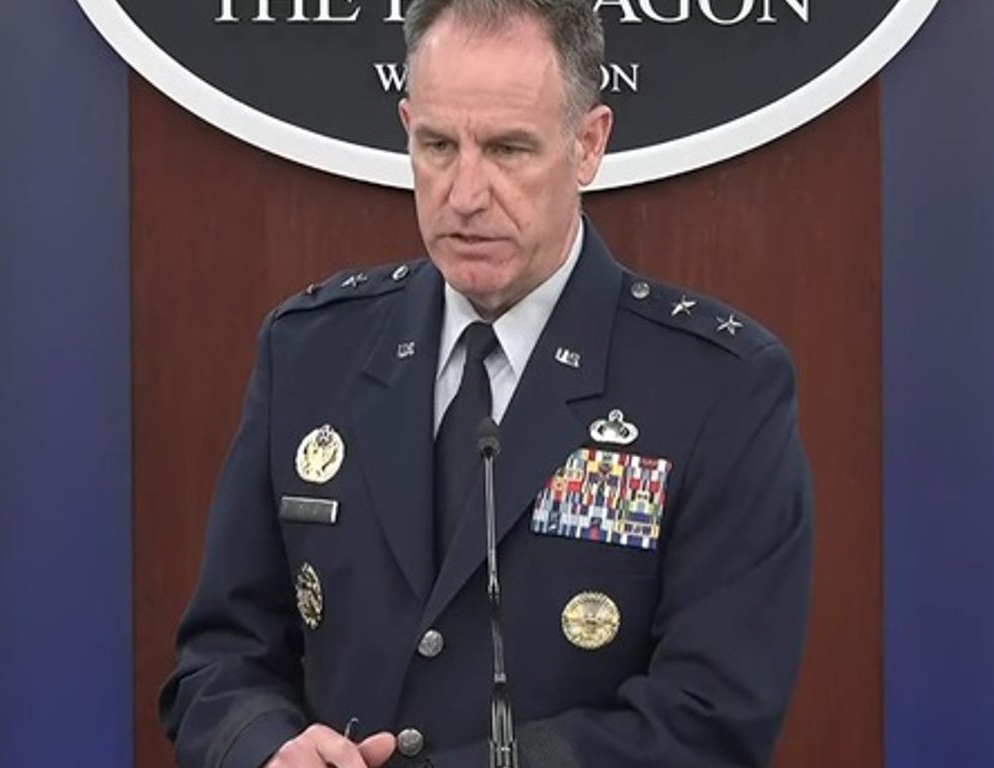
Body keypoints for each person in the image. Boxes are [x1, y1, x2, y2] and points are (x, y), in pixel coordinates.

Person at [158, 1, 813, 766]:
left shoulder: (717, 389)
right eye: (438, 146)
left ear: (588, 144)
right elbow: (220, 659)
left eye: (507, 149)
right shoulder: (311, 353)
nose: (466, 193)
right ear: (407, 129)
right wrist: (269, 751)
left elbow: (710, 720)